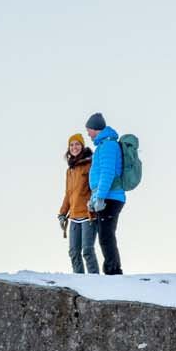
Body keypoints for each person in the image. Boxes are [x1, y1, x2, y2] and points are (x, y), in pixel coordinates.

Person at [83, 112, 127, 274]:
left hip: (111, 197)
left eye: (88, 129)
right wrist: (94, 198)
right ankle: (111, 269)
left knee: (106, 235)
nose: (87, 133)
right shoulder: (103, 145)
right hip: (106, 196)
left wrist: (100, 197)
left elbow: (107, 173)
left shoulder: (108, 145)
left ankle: (114, 271)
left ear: (95, 128)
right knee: (104, 235)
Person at [57, 133, 98, 273]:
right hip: (74, 216)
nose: (74, 147)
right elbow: (68, 194)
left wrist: (93, 203)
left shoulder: (90, 164)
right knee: (74, 253)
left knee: (87, 251)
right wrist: (62, 213)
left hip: (88, 214)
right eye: (72, 145)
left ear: (82, 146)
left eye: (77, 144)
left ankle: (95, 280)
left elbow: (94, 187)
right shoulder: (70, 170)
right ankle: (79, 282)